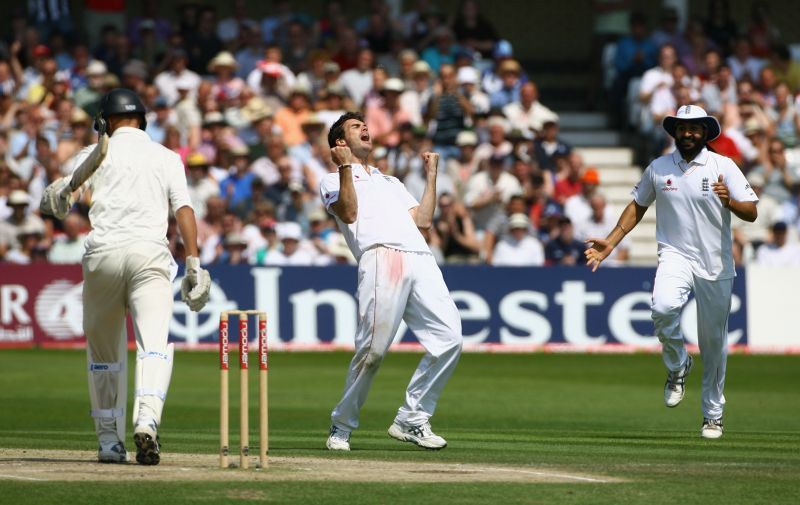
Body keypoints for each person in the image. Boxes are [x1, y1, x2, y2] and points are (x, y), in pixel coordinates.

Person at [39, 89, 211, 464]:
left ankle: (108, 441)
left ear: (104, 120)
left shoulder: (92, 153)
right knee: (154, 344)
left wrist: (54, 195)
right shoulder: (166, 157)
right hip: (150, 254)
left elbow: (59, 201)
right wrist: (193, 261)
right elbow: (183, 208)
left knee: (104, 356)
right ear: (142, 120)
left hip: (102, 255)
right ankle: (147, 420)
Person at [584, 105, 758, 439]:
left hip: (716, 264)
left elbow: (751, 212)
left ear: (706, 133)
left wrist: (729, 202)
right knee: (662, 308)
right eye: (682, 128)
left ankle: (712, 415)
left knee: (713, 344)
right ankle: (678, 364)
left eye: (695, 129)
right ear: (674, 131)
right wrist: (611, 242)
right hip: (675, 255)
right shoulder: (659, 167)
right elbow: (637, 205)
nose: (688, 134)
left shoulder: (723, 166)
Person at [319, 112, 462, 451]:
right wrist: (344, 168)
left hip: (420, 257)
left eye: (364, 125)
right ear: (340, 142)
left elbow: (424, 221)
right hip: (382, 257)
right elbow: (350, 213)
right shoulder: (331, 179)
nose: (365, 128)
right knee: (373, 351)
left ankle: (412, 419)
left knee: (450, 338)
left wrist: (431, 176)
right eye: (356, 127)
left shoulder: (391, 182)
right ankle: (341, 425)